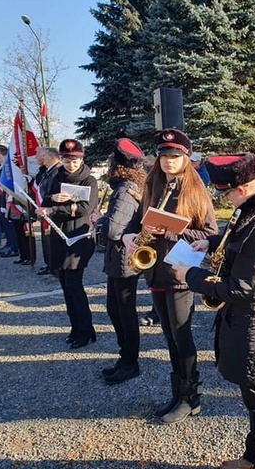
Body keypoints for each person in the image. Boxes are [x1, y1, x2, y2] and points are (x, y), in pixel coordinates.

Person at [172, 153, 255, 469]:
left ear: (244, 186)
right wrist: (208, 244)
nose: (224, 199)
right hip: (250, 317)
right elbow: (232, 239)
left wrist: (191, 276)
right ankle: (254, 457)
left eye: (226, 192)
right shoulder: (254, 209)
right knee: (253, 395)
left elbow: (239, 287)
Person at [123, 128, 217, 424]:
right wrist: (129, 237)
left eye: (175, 156)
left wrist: (174, 231)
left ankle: (191, 397)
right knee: (168, 336)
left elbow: (210, 234)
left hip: (179, 271)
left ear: (186, 158)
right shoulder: (153, 184)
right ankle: (178, 393)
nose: (168, 161)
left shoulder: (195, 189)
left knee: (182, 336)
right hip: (154, 270)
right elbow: (138, 221)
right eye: (164, 155)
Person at [93, 139, 147, 385]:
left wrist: (99, 221)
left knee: (123, 312)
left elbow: (115, 229)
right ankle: (125, 357)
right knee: (116, 309)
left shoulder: (125, 189)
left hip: (125, 258)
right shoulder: (130, 185)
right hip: (120, 257)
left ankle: (130, 363)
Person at [36, 139, 99, 349]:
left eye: (75, 160)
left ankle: (86, 329)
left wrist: (55, 209)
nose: (71, 164)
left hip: (77, 239)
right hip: (58, 237)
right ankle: (76, 328)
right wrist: (53, 198)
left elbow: (84, 209)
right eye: (66, 159)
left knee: (74, 286)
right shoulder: (56, 176)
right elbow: (45, 200)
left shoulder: (89, 180)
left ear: (82, 159)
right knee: (65, 286)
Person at [35, 147, 61, 276]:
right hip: (45, 209)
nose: (41, 159)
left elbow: (53, 191)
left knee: (51, 241)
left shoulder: (57, 171)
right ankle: (49, 265)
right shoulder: (47, 171)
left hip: (51, 210)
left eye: (44, 156)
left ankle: (55, 267)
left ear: (52, 157)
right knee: (46, 240)